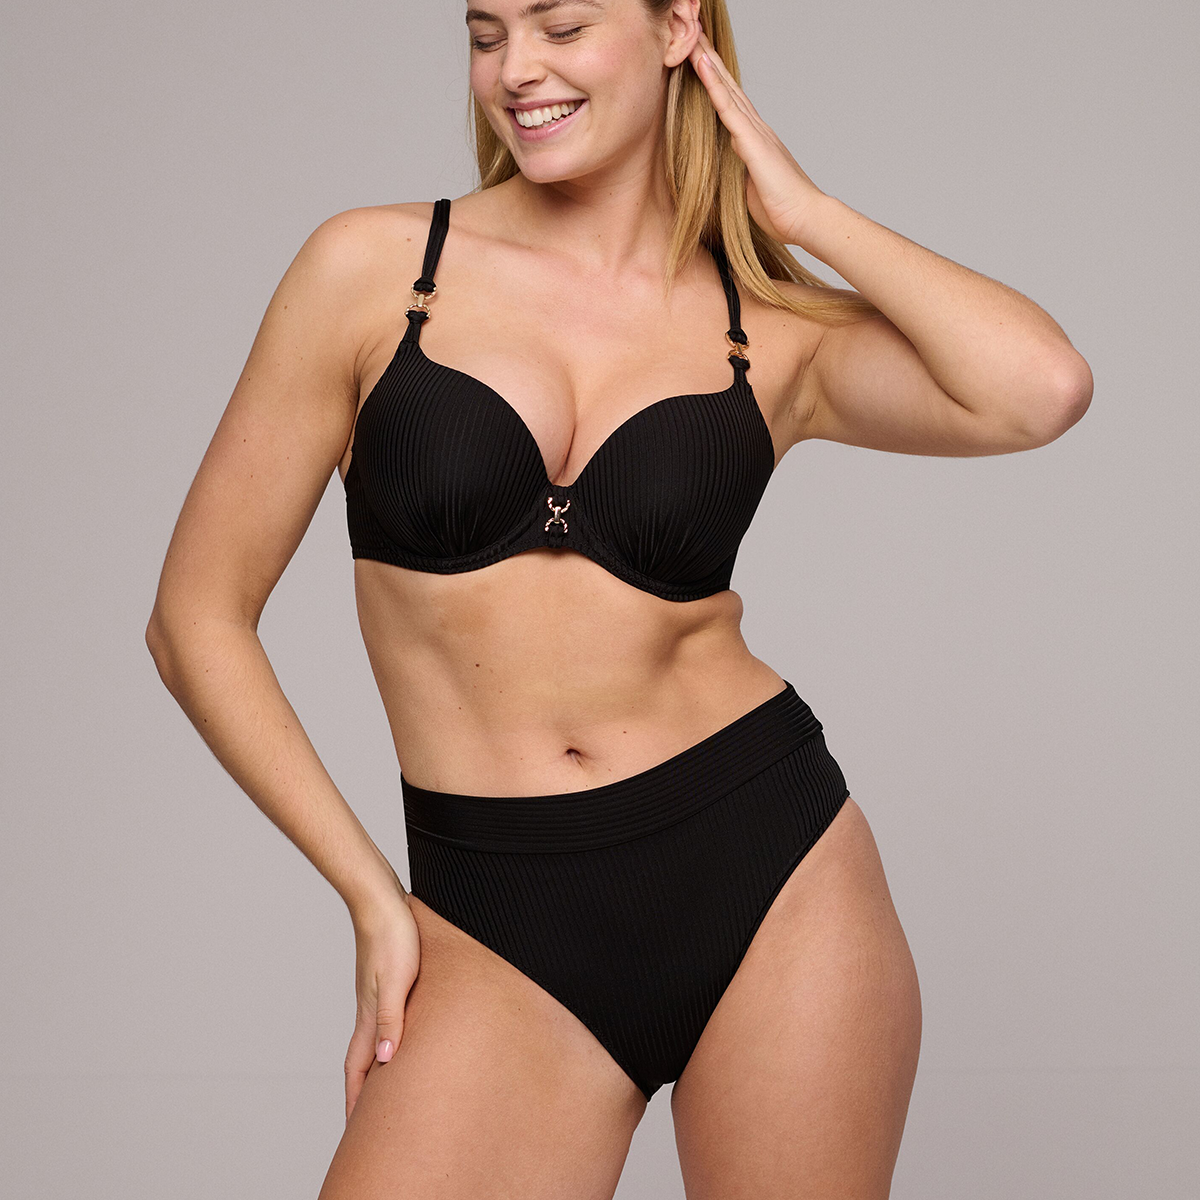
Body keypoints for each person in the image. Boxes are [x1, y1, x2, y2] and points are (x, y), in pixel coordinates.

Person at [145, 0, 1092, 1195]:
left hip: (771, 870)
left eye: (559, 27)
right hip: (497, 912)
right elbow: (194, 619)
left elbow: (1040, 389)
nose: (516, 70)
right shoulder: (374, 271)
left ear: (676, 24)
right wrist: (372, 898)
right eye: (487, 34)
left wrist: (807, 215)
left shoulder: (766, 323)